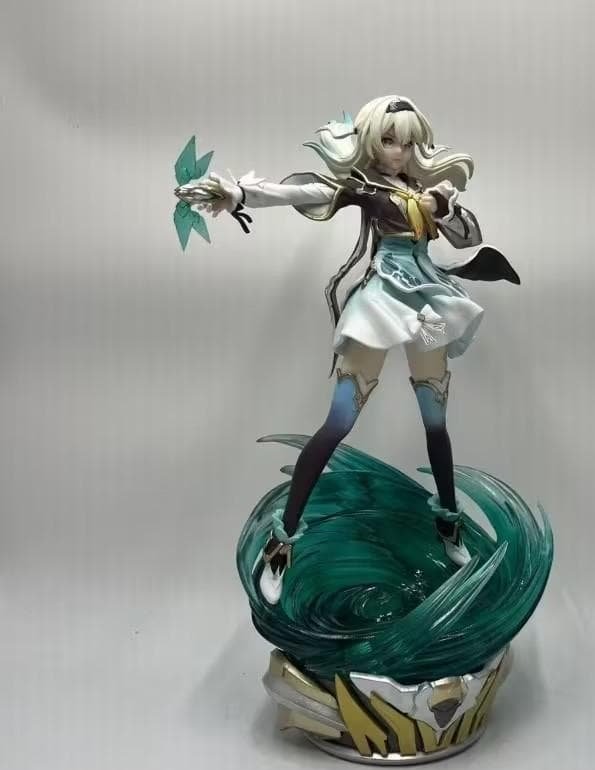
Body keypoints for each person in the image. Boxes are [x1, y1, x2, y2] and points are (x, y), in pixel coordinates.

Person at [176, 95, 520, 604]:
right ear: (370, 141)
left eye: (408, 142)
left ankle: (448, 524)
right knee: (338, 421)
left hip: (428, 312)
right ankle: (281, 544)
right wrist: (239, 193)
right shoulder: (364, 188)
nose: (400, 151)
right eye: (389, 140)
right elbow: (306, 191)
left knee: (435, 416)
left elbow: (469, 235)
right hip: (380, 307)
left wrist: (443, 206)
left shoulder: (428, 191)